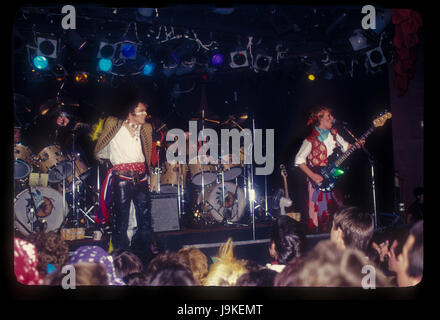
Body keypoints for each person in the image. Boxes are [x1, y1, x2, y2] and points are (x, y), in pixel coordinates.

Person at [94, 96, 155, 260]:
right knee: (121, 219)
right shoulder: (114, 124)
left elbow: (149, 152)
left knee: (145, 219)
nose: (145, 113)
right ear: (130, 111)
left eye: (145, 110)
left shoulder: (146, 128)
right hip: (122, 178)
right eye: (141, 110)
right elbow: (97, 137)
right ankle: (121, 257)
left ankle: (144, 253)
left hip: (141, 178)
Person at [294, 106, 363, 233]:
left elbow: (347, 147)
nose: (332, 118)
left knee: (341, 210)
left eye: (331, 116)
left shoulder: (334, 134)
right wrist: (313, 176)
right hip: (319, 182)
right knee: (323, 217)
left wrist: (356, 145)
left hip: (333, 178)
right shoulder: (310, 139)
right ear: (320, 119)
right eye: (328, 116)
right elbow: (298, 160)